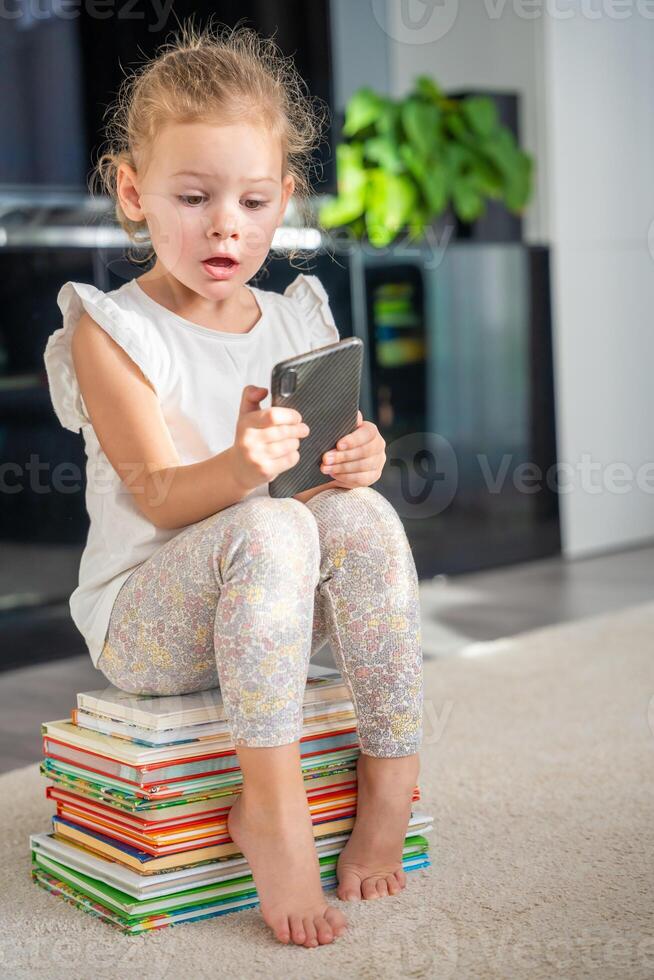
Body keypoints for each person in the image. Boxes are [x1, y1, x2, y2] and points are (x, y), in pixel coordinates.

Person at [43, 20, 424, 949]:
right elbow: (164, 499)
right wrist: (244, 468)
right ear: (133, 192)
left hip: (272, 613)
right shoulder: (111, 329)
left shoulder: (298, 315)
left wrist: (355, 458)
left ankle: (390, 774)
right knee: (274, 528)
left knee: (361, 512)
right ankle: (273, 812)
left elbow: (318, 484)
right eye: (193, 196)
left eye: (254, 202)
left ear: (284, 198)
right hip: (151, 623)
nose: (226, 224)